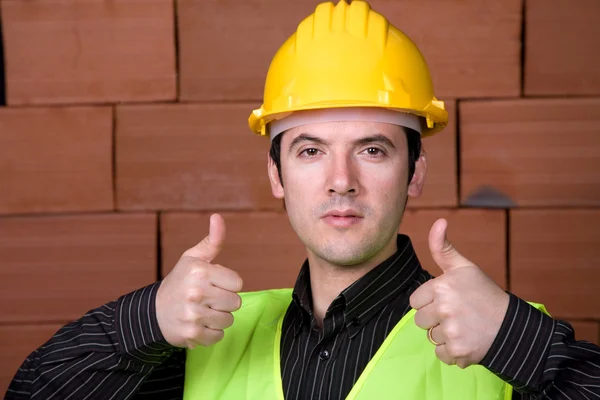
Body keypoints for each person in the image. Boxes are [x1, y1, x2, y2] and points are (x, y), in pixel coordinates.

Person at [6, 1, 600, 399]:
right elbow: (31, 392)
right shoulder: (203, 342)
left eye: (372, 150)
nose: (341, 181)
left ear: (415, 172)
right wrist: (146, 322)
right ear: (276, 175)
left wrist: (522, 345)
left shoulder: (503, 341)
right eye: (311, 151)